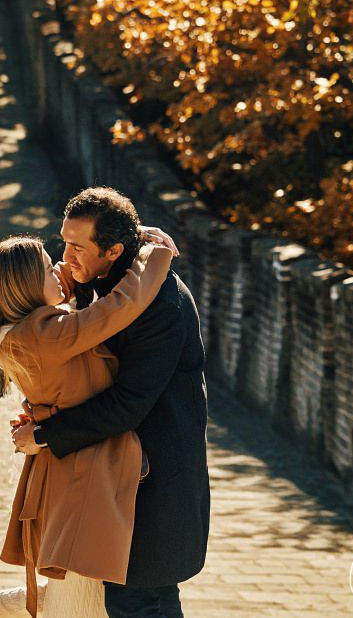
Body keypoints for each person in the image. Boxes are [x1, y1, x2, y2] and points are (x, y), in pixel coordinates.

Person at [0, 219, 179, 618]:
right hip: (89, 467)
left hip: (69, 465)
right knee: (89, 595)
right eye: (50, 266)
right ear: (29, 285)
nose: (60, 268)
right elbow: (118, 309)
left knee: (85, 587)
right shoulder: (46, 333)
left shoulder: (15, 332)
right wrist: (154, 255)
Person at [13, 188, 210, 618]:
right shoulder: (103, 277)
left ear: (115, 250)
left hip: (152, 485)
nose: (65, 256)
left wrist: (46, 434)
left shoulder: (161, 304)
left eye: (77, 246)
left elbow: (128, 403)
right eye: (64, 241)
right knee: (120, 600)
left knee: (139, 602)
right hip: (112, 477)